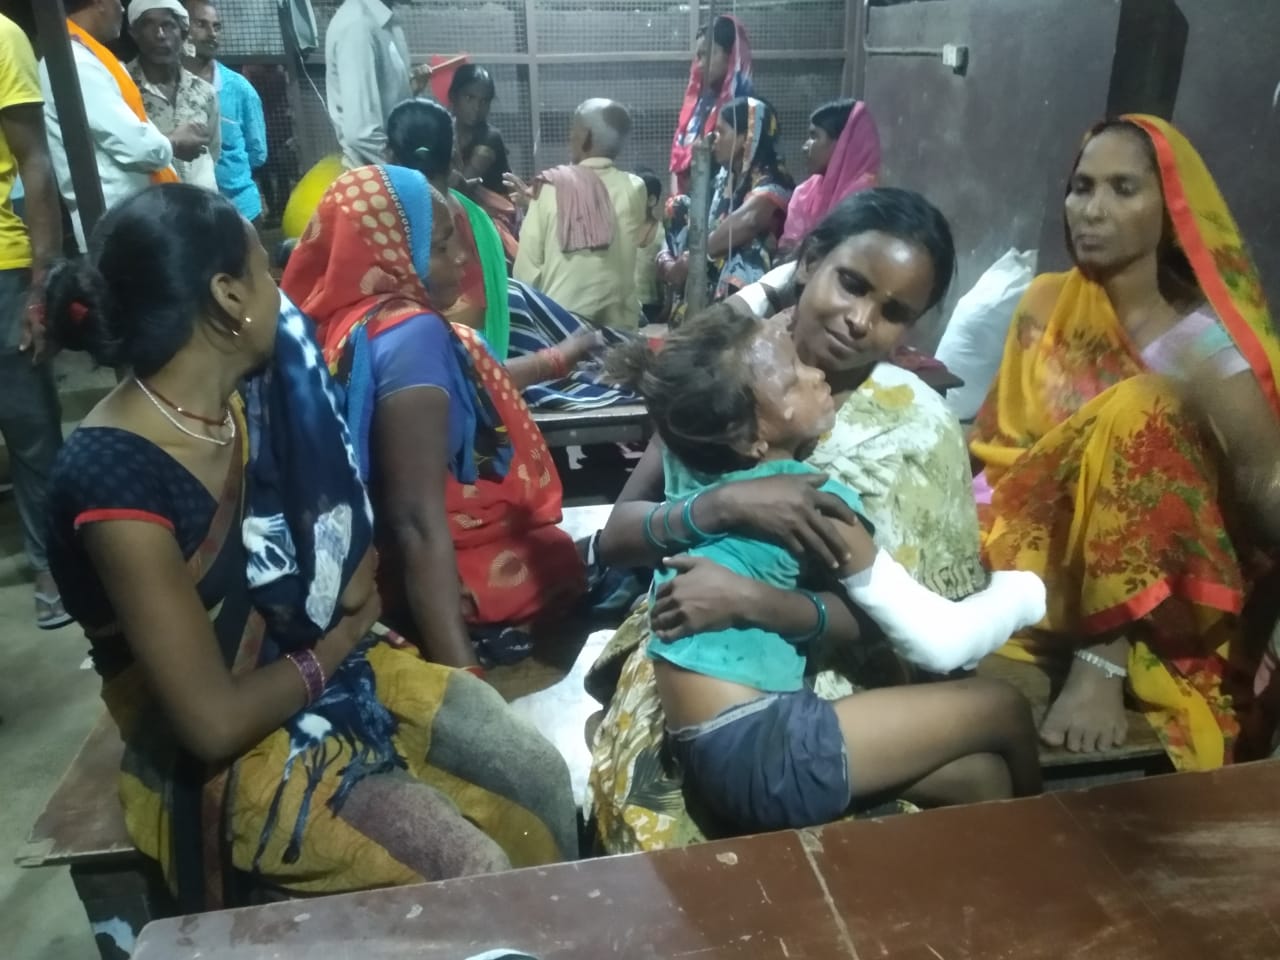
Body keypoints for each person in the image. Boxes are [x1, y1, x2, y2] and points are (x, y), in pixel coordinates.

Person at [43, 183, 576, 916]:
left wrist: (345, 602)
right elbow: (211, 722)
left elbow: (335, 550)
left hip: (323, 665)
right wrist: (345, 635)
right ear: (229, 297)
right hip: (234, 735)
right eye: (265, 271)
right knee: (469, 868)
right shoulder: (115, 475)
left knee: (535, 772)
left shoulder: (249, 404)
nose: (283, 288)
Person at [586, 188, 996, 852]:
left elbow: (907, 624)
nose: (860, 320)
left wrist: (755, 601)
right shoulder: (731, 366)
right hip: (695, 657)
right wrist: (721, 505)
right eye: (852, 284)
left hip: (841, 686)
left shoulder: (916, 429)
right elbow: (616, 538)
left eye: (894, 312)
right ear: (809, 261)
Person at [604, 307, 1044, 834]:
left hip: (711, 749)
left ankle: (1007, 863)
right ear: (749, 439)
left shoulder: (693, 455)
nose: (817, 375)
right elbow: (928, 638)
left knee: (981, 779)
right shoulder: (810, 500)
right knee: (1002, 706)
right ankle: (1050, 846)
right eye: (792, 380)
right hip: (763, 747)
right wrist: (1022, 594)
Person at [970, 116, 1280, 769]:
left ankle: (1102, 659)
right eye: (1081, 187)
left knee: (1146, 404)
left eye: (1123, 188)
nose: (1092, 209)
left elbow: (1261, 503)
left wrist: (1235, 445)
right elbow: (1000, 444)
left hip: (1159, 591)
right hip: (1033, 542)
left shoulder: (1207, 344)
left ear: (1171, 214)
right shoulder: (1044, 303)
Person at [282, 166, 587, 669]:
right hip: (401, 572)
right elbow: (416, 522)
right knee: (554, 559)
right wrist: (463, 676)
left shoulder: (341, 321)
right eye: (442, 245)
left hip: (353, 560)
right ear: (391, 250)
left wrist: (557, 360)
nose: (463, 256)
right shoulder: (413, 334)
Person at [383, 98, 628, 411]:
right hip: (490, 343)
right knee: (523, 300)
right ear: (455, 156)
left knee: (520, 297)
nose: (459, 257)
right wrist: (559, 355)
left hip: (486, 337)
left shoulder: (382, 219)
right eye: (442, 246)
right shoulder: (632, 187)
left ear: (387, 155)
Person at [0, 14, 69, 629]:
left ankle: (54, 563)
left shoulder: (2, 37)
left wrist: (40, 286)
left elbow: (34, 158)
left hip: (2, 267)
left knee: (29, 425)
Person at [40, 0, 198, 249]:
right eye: (117, 1)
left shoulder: (89, 57)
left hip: (134, 220)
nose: (122, 9)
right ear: (100, 3)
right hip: (118, 227)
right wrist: (175, 142)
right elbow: (137, 146)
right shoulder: (76, 61)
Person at [512, 99, 648, 332]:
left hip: (560, 329)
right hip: (620, 332)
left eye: (573, 129)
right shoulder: (636, 188)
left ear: (586, 136)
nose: (569, 136)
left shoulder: (550, 187)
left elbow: (526, 272)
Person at [659, 96, 793, 317]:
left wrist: (692, 259)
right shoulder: (724, 175)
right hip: (712, 257)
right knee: (678, 206)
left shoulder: (775, 177)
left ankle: (730, 323)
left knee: (748, 251)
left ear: (745, 137)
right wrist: (667, 258)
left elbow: (748, 221)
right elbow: (699, 215)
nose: (714, 140)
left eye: (721, 132)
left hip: (751, 272)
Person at [183, 0, 268, 224]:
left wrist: (230, 174)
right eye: (201, 24)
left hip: (241, 210)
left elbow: (257, 152)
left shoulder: (239, 89)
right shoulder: (173, 86)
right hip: (191, 213)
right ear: (182, 28)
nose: (212, 33)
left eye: (216, 26)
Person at [127, 0, 220, 190]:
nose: (160, 35)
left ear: (183, 33)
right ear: (134, 33)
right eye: (148, 25)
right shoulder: (122, 86)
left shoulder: (204, 91)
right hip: (151, 202)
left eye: (168, 25)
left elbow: (213, 151)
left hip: (201, 202)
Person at [325, 0, 428, 169]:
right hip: (376, 174)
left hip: (389, 169)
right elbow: (361, 133)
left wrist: (408, 90)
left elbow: (383, 103)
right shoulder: (358, 26)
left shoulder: (384, 22)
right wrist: (407, 171)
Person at [781, 98, 880, 254]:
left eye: (814, 136)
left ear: (843, 143)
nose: (805, 147)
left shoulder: (868, 197)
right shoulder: (805, 193)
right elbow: (787, 248)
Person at [669, 15, 752, 196]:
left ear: (731, 55)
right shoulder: (697, 108)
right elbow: (677, 158)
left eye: (707, 54)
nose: (699, 64)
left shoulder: (746, 111)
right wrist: (677, 200)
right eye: (698, 56)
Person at [447, 65, 519, 265]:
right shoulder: (446, 131)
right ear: (454, 96)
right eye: (469, 98)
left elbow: (463, 184)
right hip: (463, 214)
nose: (477, 107)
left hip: (494, 220)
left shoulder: (490, 137)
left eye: (484, 101)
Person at [633, 168, 666, 323]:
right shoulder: (621, 230)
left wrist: (667, 309)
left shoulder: (662, 232)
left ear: (651, 200)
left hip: (654, 308)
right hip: (627, 305)